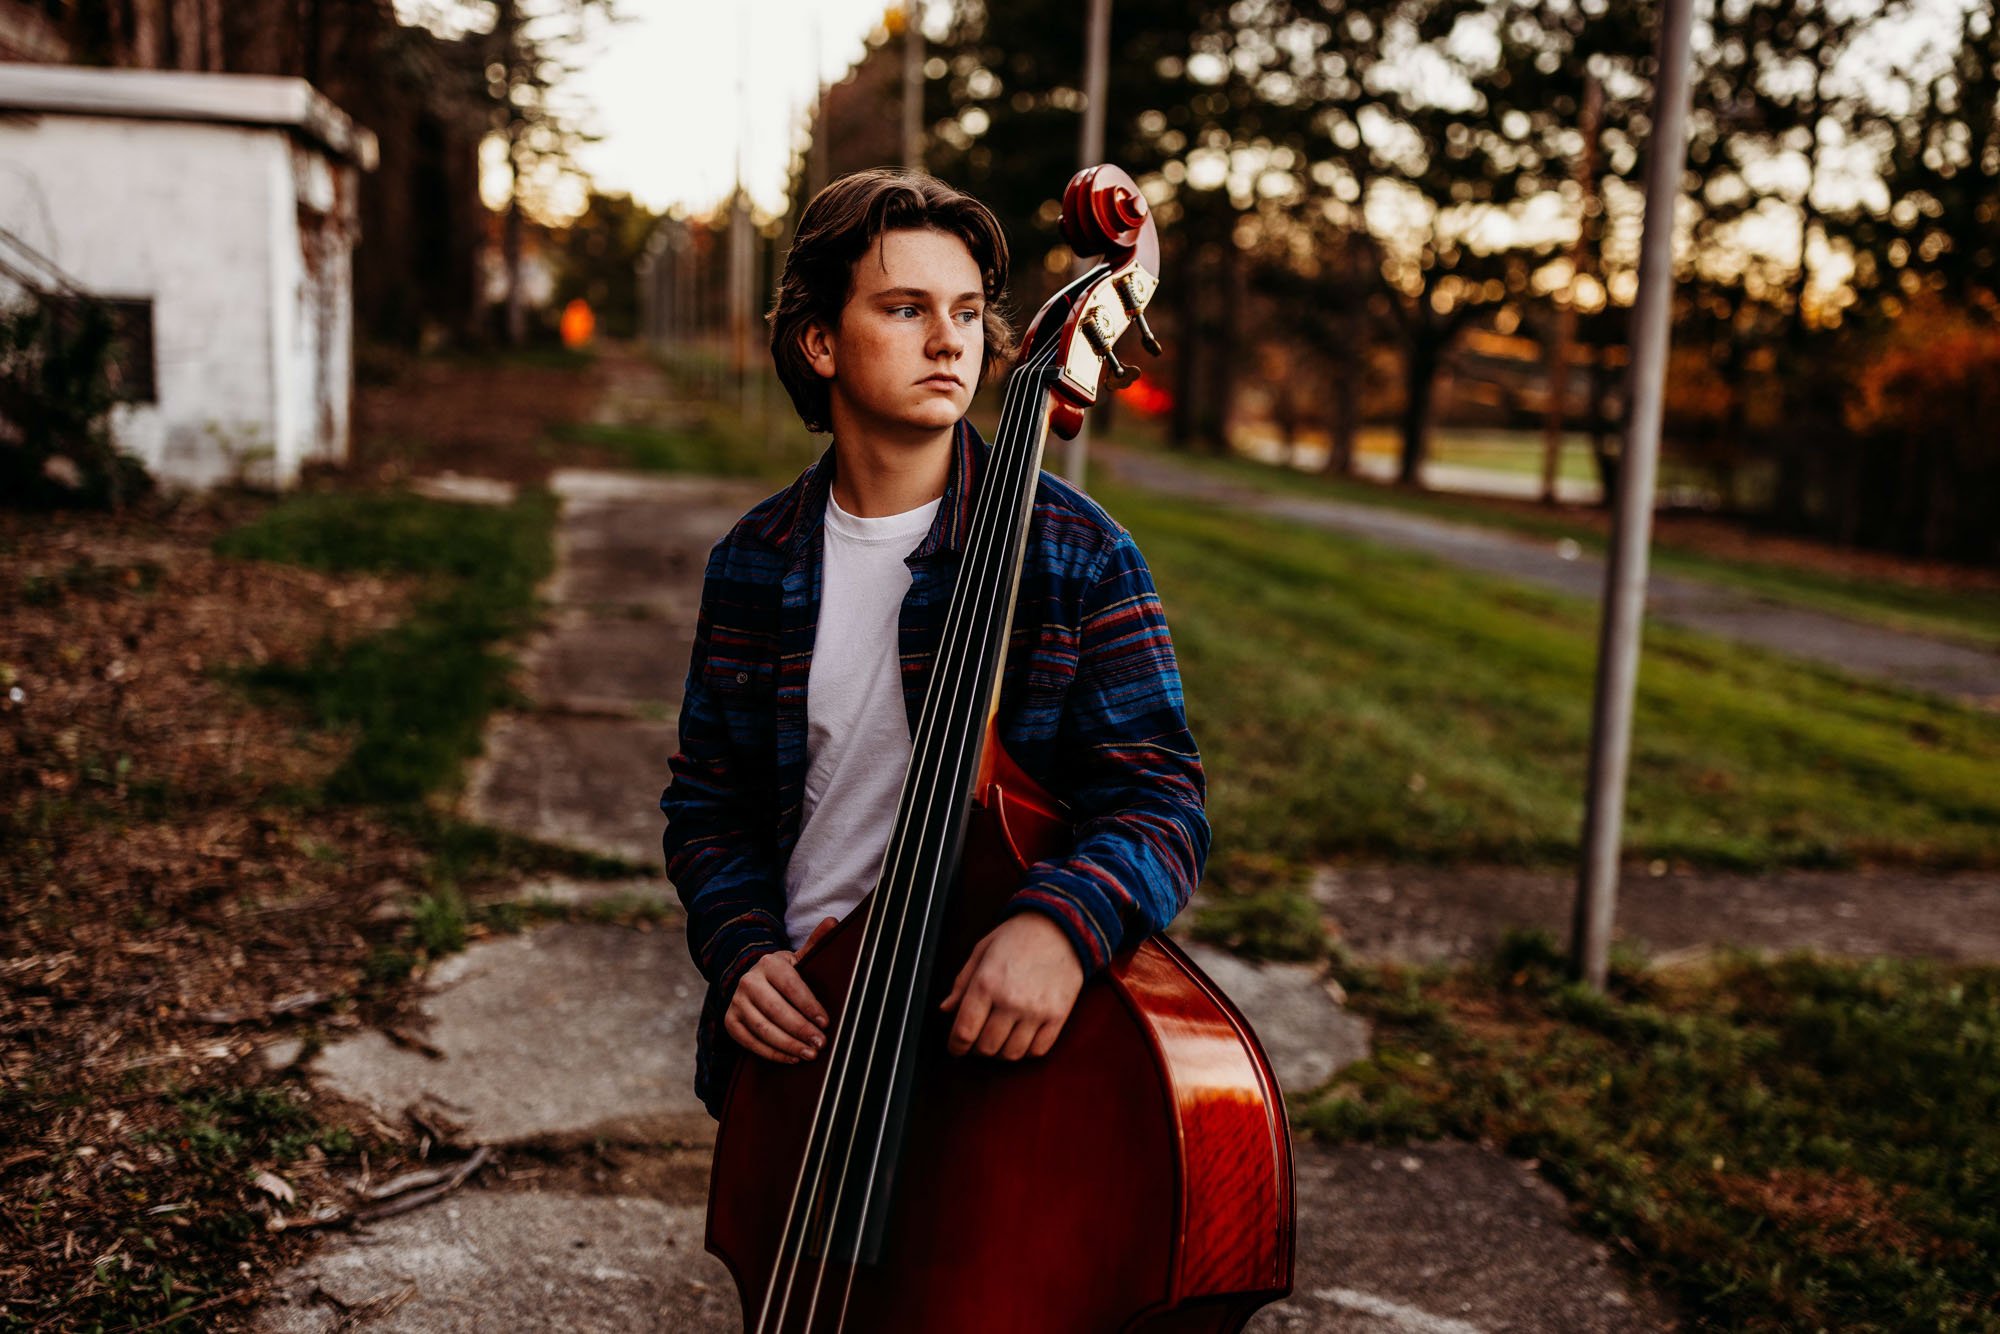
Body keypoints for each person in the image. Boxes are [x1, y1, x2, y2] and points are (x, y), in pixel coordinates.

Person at [660, 169, 1208, 1118]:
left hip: (993, 1033)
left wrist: (1062, 927)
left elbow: (1161, 798)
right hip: (809, 1028)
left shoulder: (1076, 555)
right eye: (906, 308)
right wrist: (742, 949)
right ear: (820, 342)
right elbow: (710, 805)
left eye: (964, 311)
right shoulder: (754, 560)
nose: (950, 339)